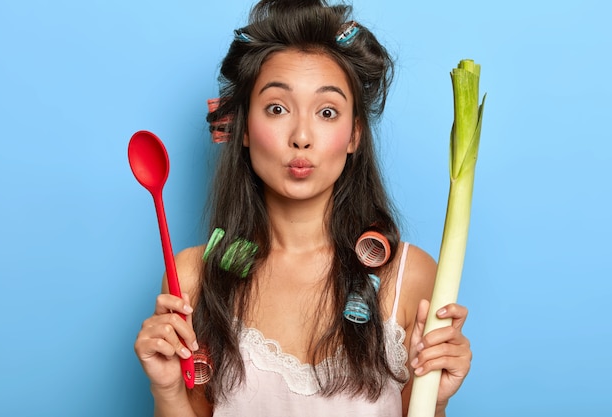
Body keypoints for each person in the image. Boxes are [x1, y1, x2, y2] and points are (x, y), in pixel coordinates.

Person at [134, 0, 472, 416]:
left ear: (354, 136)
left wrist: (434, 399)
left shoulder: (409, 275)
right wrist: (167, 391)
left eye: (327, 112)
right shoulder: (191, 277)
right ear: (242, 127)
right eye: (277, 108)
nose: (302, 136)